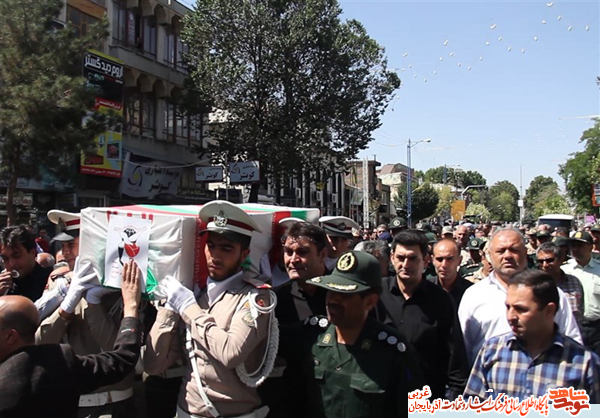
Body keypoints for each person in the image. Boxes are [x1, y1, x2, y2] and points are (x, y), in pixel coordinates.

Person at [144, 200, 276, 418]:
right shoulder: (196, 296)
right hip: (187, 411)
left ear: (244, 254)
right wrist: (168, 311)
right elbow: (154, 365)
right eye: (211, 245)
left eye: (226, 248)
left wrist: (189, 308)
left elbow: (231, 353)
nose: (215, 255)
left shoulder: (255, 298)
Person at [278, 250, 424, 417]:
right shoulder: (311, 335)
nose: (332, 300)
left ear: (369, 301)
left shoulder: (393, 352)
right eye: (330, 291)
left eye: (344, 294)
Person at [0, 260, 143, 418]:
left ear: (10, 336)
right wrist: (131, 306)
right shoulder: (59, 362)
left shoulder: (58, 362)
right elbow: (122, 359)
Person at [464, 269, 600, 402]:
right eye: (508, 307)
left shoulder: (583, 363)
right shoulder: (492, 350)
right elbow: (472, 404)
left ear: (549, 310)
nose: (511, 317)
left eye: (521, 309)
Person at [458, 228, 582, 365]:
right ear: (489, 255)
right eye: (501, 251)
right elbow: (462, 348)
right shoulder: (473, 295)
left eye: (514, 250)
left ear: (525, 252)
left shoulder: (550, 293)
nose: (507, 256)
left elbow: (572, 341)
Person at [376, 230, 469, 400]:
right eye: (401, 258)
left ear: (426, 261)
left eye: (413, 258)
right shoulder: (377, 294)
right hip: (381, 398)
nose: (406, 264)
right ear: (392, 258)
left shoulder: (441, 300)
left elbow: (454, 360)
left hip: (425, 400)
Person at [562, 231, 600, 355]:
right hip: (572, 328)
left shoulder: (598, 270)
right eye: (573, 246)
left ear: (590, 247)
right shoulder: (564, 270)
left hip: (596, 329)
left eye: (579, 245)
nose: (575, 249)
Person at [536, 242, 584, 327]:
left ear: (560, 260)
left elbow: (580, 312)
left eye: (549, 260)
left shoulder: (574, 282)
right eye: (540, 261)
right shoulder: (533, 285)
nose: (545, 265)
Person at [0, 225, 51, 301]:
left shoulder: (49, 281)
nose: (11, 264)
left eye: (16, 256)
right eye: (5, 259)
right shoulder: (4, 285)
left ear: (32, 253)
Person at [430, 239, 473, 308]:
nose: (444, 265)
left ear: (459, 261)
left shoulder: (471, 292)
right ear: (433, 260)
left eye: (450, 259)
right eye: (439, 259)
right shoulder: (423, 290)